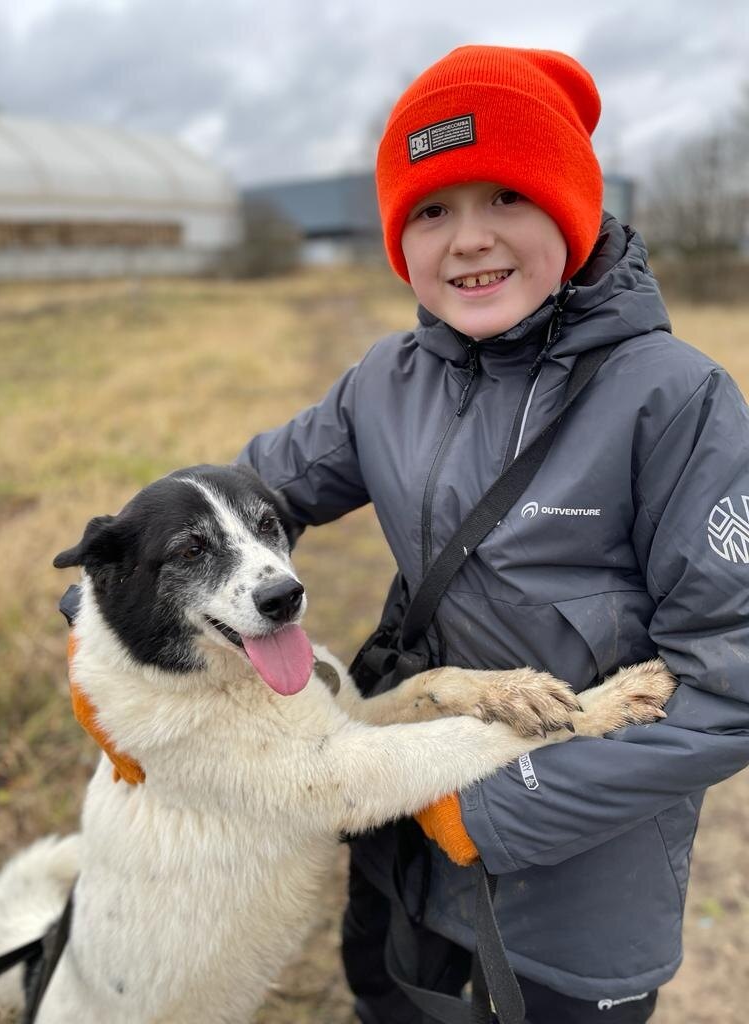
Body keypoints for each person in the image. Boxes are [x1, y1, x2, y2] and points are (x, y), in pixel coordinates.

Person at [239, 46, 749, 1024]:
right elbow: (238, 501)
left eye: (506, 197)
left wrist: (481, 806)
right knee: (387, 1002)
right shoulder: (382, 385)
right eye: (431, 209)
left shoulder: (677, 401)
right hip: (401, 843)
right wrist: (115, 610)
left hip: (580, 888)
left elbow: (728, 685)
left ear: (571, 207)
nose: (468, 240)